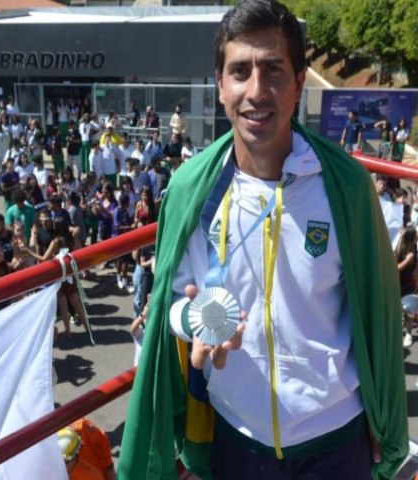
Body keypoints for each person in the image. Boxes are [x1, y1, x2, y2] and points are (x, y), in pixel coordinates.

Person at [119, 2, 407, 480]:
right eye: (240, 72)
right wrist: (199, 320)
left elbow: (379, 310)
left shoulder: (345, 187)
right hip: (237, 441)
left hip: (338, 442)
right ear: (220, 85)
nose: (256, 91)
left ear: (299, 83)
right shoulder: (193, 188)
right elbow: (172, 299)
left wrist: (383, 416)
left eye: (273, 70)